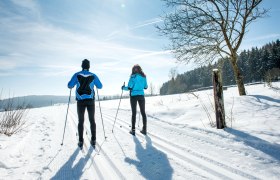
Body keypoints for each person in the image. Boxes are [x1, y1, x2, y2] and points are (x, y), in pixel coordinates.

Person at [68, 59, 102, 148]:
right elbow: (100, 86)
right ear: (89, 66)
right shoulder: (93, 75)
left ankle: (80, 141)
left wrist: (73, 84)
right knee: (92, 120)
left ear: (82, 66)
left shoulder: (77, 74)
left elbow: (70, 85)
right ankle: (93, 139)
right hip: (90, 100)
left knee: (81, 121)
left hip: (80, 101)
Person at [122, 64, 148, 136]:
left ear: (133, 70)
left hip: (133, 96)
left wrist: (123, 88)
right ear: (140, 69)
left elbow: (130, 87)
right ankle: (144, 129)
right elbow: (146, 87)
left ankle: (133, 130)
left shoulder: (133, 77)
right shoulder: (144, 76)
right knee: (143, 112)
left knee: (134, 113)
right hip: (141, 95)